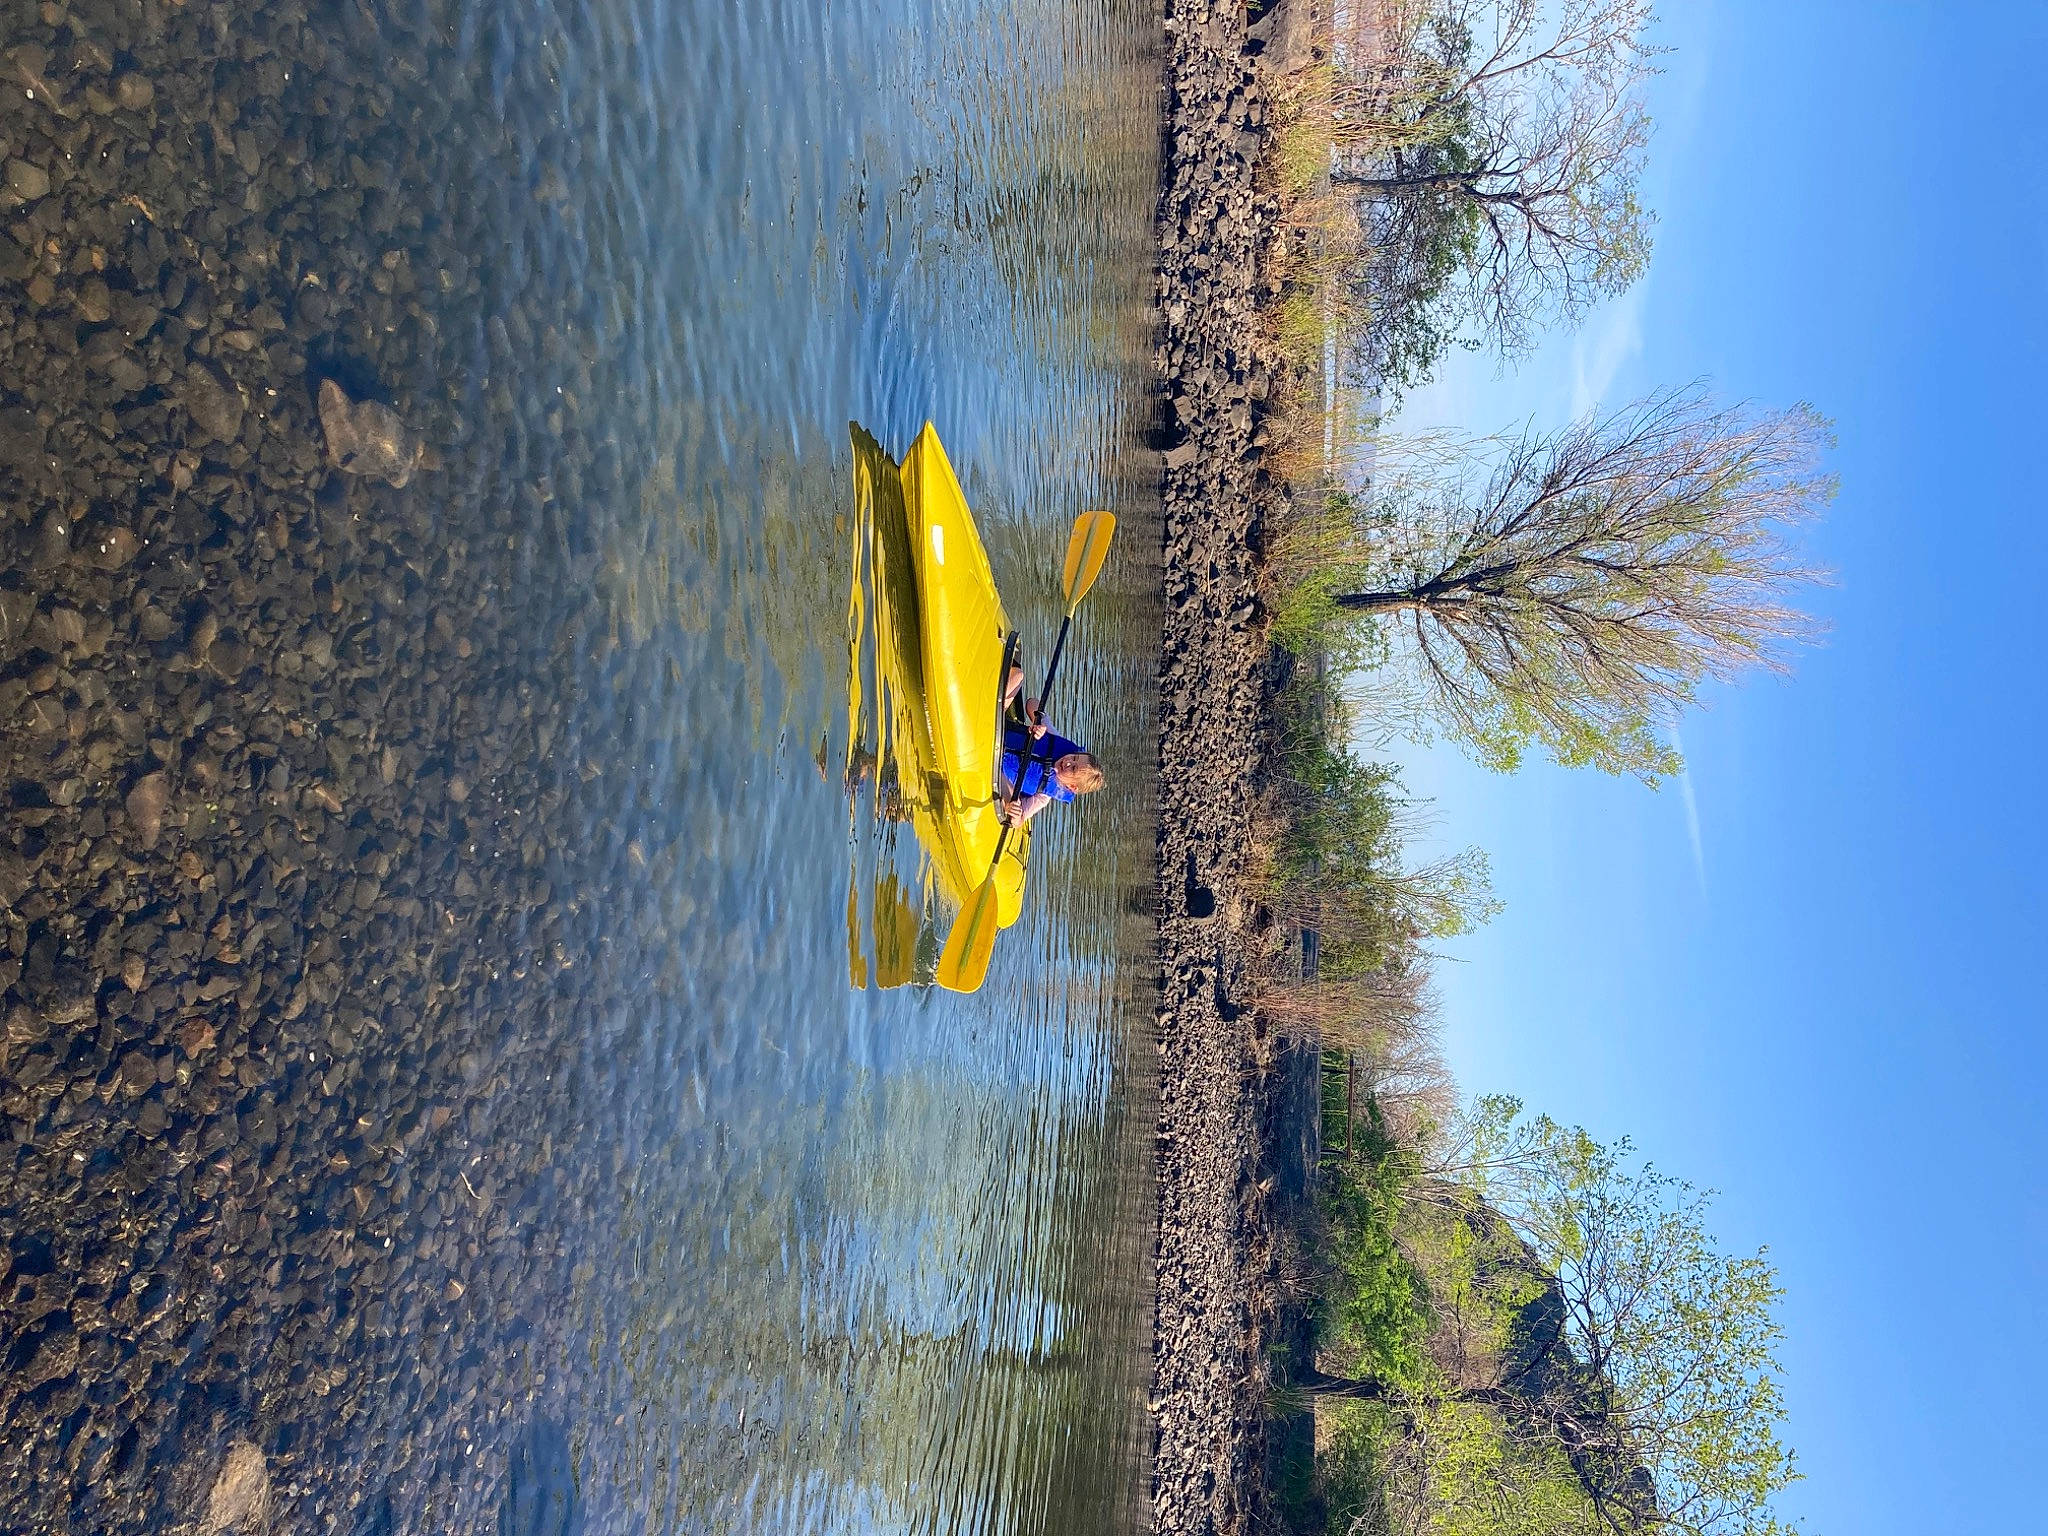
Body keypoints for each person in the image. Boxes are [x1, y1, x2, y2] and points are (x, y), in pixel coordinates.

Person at [998, 663, 1106, 826]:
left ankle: (1007, 802)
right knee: (1018, 675)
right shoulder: (1053, 739)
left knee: (1014, 801)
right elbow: (1032, 703)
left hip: (996, 770)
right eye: (1075, 757)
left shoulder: (1043, 796)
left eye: (1074, 768)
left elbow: (1020, 819)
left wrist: (1015, 812)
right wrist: (1038, 722)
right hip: (998, 729)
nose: (1068, 761)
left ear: (1072, 787)